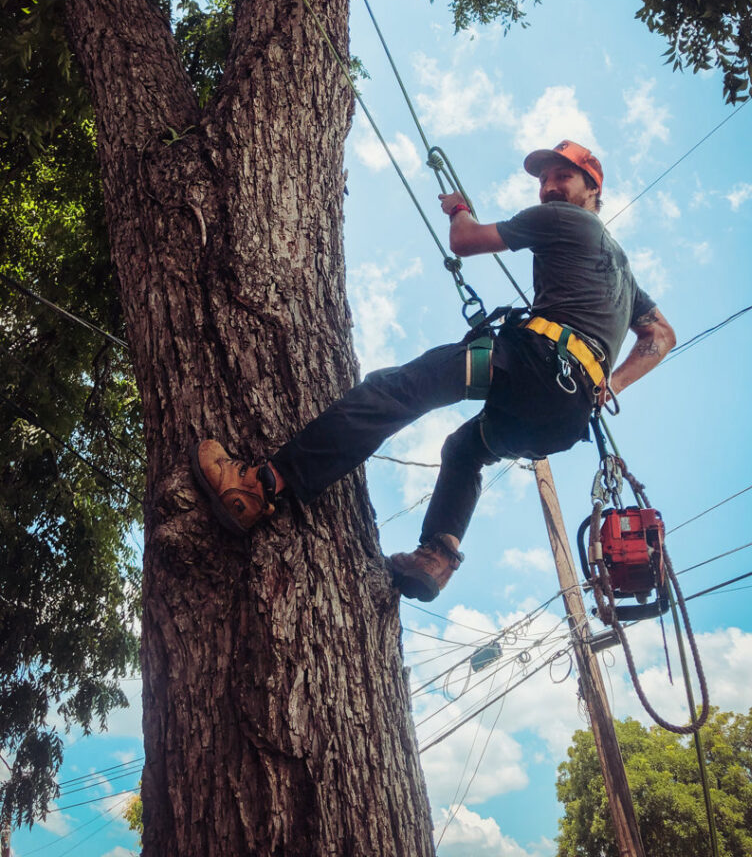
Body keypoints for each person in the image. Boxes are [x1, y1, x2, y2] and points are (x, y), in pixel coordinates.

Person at [192, 140, 676, 602]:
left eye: (563, 176)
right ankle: (437, 556)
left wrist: (458, 209)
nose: (549, 186)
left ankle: (261, 486)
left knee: (400, 389)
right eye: (545, 178)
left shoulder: (564, 219)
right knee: (464, 450)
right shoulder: (622, 270)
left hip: (531, 364)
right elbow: (659, 335)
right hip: (566, 417)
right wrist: (608, 385)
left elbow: (466, 241)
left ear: (591, 189)